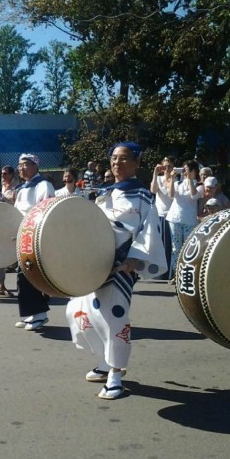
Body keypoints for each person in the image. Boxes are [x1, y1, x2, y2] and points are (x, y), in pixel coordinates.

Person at [66, 142, 167, 399]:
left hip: (121, 265)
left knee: (114, 318)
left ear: (136, 163)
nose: (117, 163)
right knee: (80, 311)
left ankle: (116, 374)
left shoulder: (143, 196)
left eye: (123, 159)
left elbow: (148, 231)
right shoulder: (106, 192)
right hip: (95, 264)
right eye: (113, 158)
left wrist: (134, 259)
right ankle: (104, 360)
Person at [14, 153, 55, 330]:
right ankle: (31, 313)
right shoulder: (22, 188)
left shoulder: (43, 185)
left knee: (32, 274)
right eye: (19, 165)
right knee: (23, 276)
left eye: (25, 165)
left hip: (35, 236)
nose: (21, 168)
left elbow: (46, 210)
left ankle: (40, 314)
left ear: (35, 166)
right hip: (23, 236)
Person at [165, 160, 203, 277]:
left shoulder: (199, 185)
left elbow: (194, 195)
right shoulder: (178, 183)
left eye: (187, 169)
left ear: (194, 171)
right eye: (184, 169)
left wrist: (191, 179)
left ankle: (187, 274)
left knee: (188, 248)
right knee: (175, 248)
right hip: (175, 218)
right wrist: (172, 179)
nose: (185, 172)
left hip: (189, 220)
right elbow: (171, 195)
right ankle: (176, 275)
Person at [150, 156, 175, 281]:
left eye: (169, 166)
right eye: (165, 166)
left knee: (170, 245)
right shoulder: (159, 179)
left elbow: (173, 195)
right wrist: (155, 173)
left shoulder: (177, 180)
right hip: (160, 214)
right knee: (159, 245)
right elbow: (153, 190)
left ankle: (170, 273)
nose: (167, 169)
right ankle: (158, 273)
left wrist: (172, 179)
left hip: (172, 215)